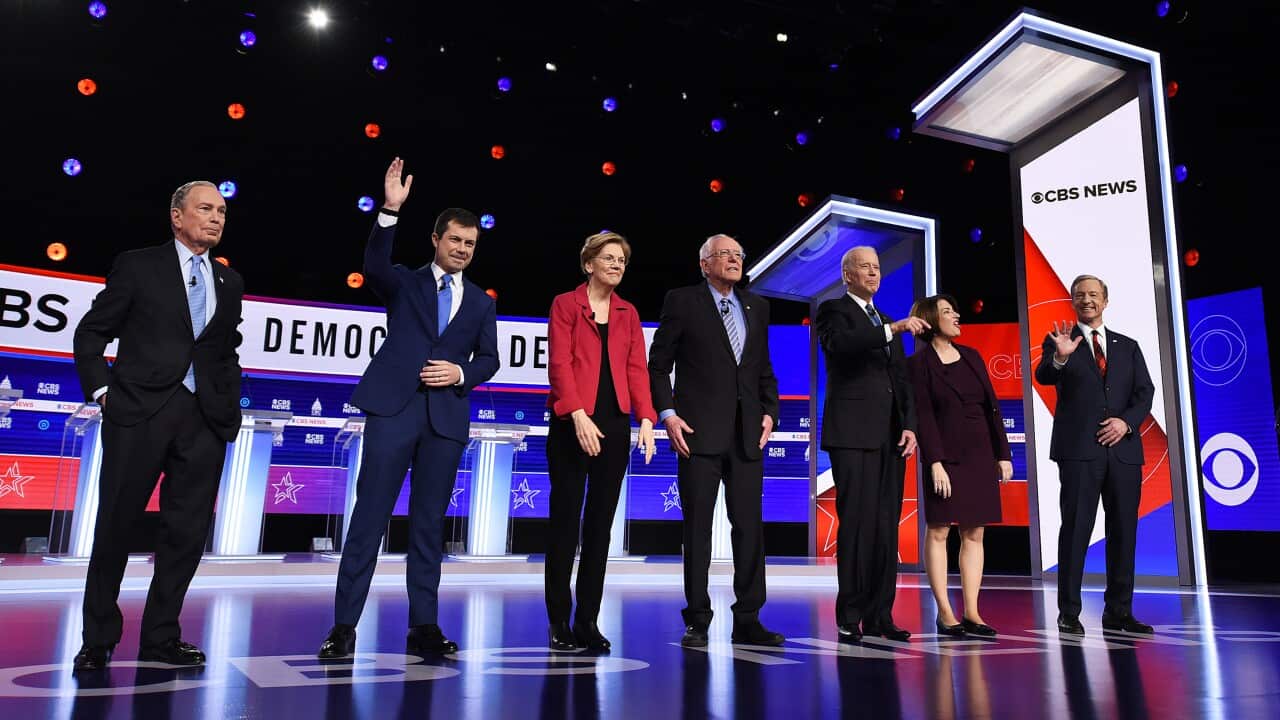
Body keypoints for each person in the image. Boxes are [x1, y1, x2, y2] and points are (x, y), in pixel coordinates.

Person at [319, 157, 500, 658]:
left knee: (428, 527)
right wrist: (389, 210)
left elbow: (490, 359)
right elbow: (373, 266)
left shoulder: (482, 303)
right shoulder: (405, 282)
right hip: (393, 411)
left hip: (444, 420)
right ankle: (344, 628)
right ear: (437, 240)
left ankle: (424, 627)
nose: (462, 250)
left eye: (470, 244)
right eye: (455, 241)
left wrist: (461, 373)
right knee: (369, 519)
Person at [70, 180, 245, 671]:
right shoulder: (138, 265)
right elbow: (92, 331)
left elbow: (224, 349)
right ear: (177, 215)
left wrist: (226, 407)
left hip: (204, 421)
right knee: (116, 528)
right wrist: (104, 392)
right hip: (138, 414)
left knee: (185, 535)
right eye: (205, 209)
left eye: (222, 212)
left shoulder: (230, 282)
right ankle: (98, 638)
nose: (216, 218)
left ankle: (161, 638)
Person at [648, 233, 783, 648]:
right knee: (698, 530)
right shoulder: (682, 300)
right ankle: (698, 618)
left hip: (747, 437)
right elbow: (658, 365)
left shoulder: (756, 306)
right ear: (704, 263)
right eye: (724, 255)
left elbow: (762, 369)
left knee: (749, 530)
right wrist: (668, 416)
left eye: (738, 255)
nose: (733, 260)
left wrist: (770, 413)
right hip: (697, 435)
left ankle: (748, 619)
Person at [544, 231, 658, 651]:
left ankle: (587, 621)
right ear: (589, 264)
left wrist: (645, 418)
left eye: (622, 261)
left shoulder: (628, 312)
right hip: (572, 421)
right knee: (565, 524)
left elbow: (637, 371)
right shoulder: (565, 304)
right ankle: (558, 621)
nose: (616, 265)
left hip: (614, 424)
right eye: (609, 258)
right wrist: (576, 414)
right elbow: (559, 364)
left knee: (599, 529)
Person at [815, 245, 928, 643]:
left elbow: (901, 379)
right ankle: (850, 615)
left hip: (890, 438)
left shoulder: (885, 318)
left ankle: (881, 615)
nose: (873, 273)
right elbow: (841, 346)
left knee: (885, 528)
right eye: (865, 267)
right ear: (848, 274)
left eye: (877, 268)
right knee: (857, 526)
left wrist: (910, 426)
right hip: (852, 434)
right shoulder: (833, 311)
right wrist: (891, 330)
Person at [1034, 274, 1155, 635]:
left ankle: (1119, 611)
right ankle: (1069, 612)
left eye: (1093, 294)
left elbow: (1144, 393)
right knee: (1075, 530)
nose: (1086, 300)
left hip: (1123, 452)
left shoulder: (1127, 346)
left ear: (1105, 300)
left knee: (1123, 531)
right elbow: (1043, 375)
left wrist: (1126, 423)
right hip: (1079, 452)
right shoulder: (1060, 340)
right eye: (1079, 295)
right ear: (1072, 302)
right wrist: (1059, 358)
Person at [905, 294, 1012, 638]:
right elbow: (923, 415)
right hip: (946, 456)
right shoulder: (918, 364)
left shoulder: (972, 356)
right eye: (948, 311)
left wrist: (1003, 453)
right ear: (931, 320)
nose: (957, 315)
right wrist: (934, 461)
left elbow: (991, 406)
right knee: (939, 530)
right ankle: (945, 612)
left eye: (955, 309)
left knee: (975, 532)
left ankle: (972, 612)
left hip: (980, 452)